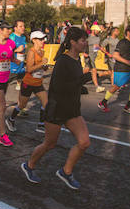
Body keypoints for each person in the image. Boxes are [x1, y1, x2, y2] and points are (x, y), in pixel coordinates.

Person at [20, 26, 91, 190]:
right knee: (49, 144)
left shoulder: (76, 60)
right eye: (82, 40)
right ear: (73, 42)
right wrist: (86, 78)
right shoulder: (63, 61)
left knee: (84, 142)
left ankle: (66, 172)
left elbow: (73, 85)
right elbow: (59, 89)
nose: (85, 43)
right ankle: (29, 165)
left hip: (72, 110)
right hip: (56, 109)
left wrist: (82, 86)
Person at [7, 31, 49, 133]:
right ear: (34, 40)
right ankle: (10, 119)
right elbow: (29, 69)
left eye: (43, 39)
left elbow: (41, 68)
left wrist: (45, 67)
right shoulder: (31, 52)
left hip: (38, 83)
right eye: (40, 39)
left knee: (46, 102)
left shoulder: (42, 52)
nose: (43, 41)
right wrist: (41, 64)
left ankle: (41, 125)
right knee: (22, 106)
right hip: (28, 83)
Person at [97, 27, 130, 115]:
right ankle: (103, 102)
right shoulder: (122, 42)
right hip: (122, 68)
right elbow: (115, 55)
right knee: (116, 87)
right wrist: (128, 62)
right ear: (128, 33)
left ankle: (128, 106)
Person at [9, 20, 28, 87]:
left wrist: (25, 46)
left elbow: (23, 47)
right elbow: (6, 51)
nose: (23, 28)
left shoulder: (23, 37)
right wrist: (17, 50)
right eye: (21, 26)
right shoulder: (11, 37)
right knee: (4, 85)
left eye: (23, 26)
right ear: (15, 28)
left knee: (22, 86)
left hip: (21, 65)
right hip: (12, 66)